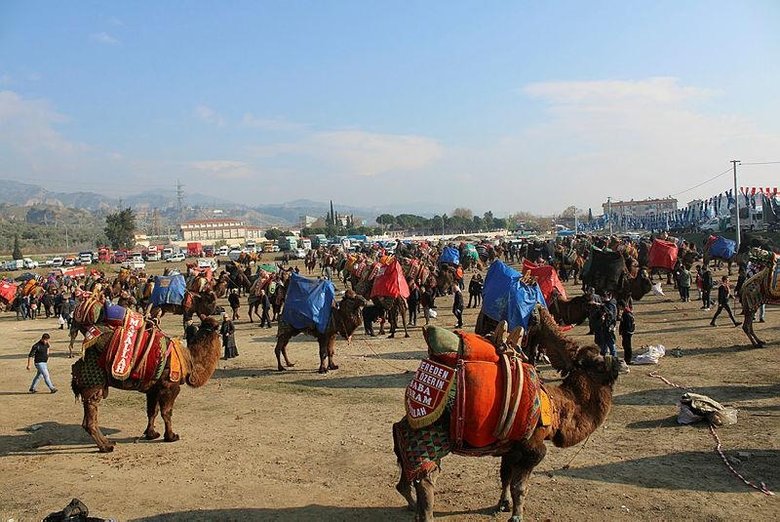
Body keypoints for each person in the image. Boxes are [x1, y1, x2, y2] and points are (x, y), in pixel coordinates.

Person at [619, 305, 635, 370]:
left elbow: (625, 324)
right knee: (626, 345)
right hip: (628, 332)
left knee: (627, 346)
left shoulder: (626, 314)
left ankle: (628, 359)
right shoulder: (628, 313)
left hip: (627, 333)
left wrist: (623, 331)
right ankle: (627, 358)